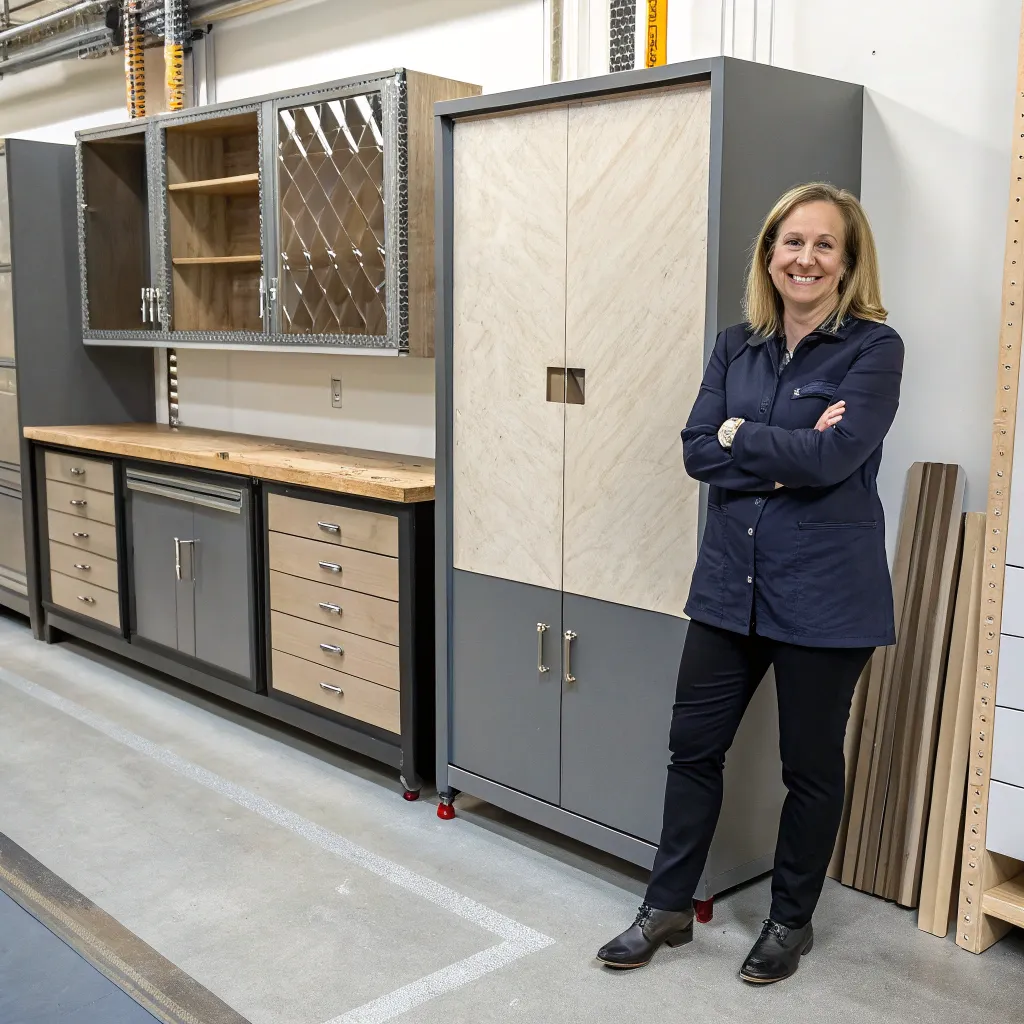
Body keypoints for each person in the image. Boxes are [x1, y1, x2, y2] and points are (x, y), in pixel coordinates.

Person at [596, 182, 904, 984]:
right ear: (769, 255)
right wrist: (782, 448)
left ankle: (790, 921)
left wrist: (748, 441)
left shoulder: (874, 348)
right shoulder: (736, 344)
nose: (805, 258)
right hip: (731, 585)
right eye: (791, 242)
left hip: (827, 596)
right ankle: (665, 910)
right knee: (692, 750)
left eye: (823, 244)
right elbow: (698, 450)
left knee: (809, 765)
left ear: (847, 261)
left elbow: (836, 460)